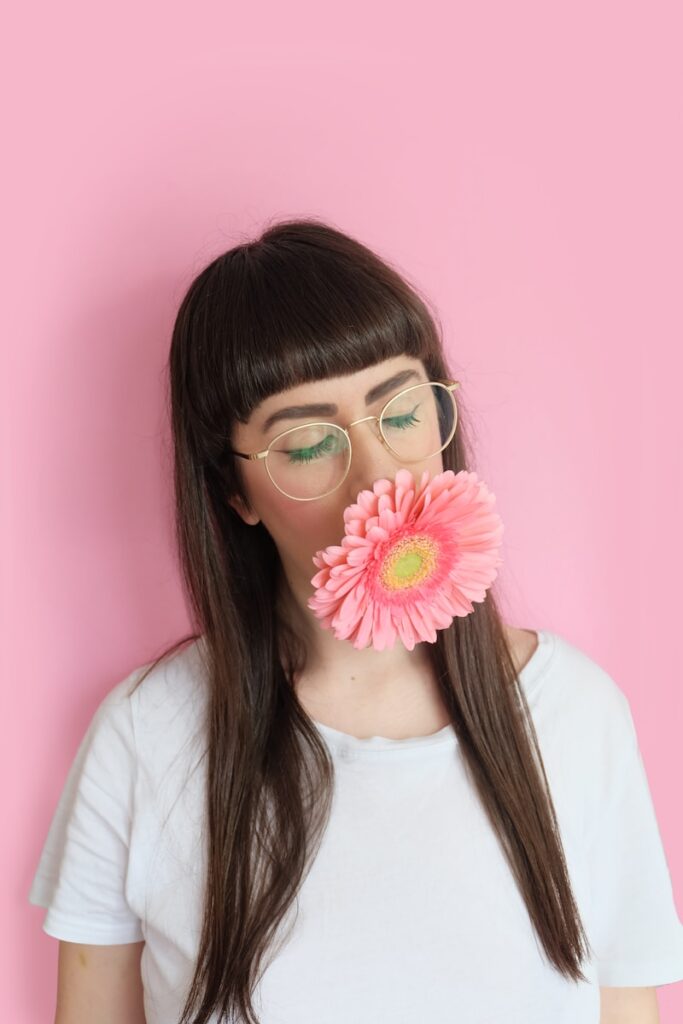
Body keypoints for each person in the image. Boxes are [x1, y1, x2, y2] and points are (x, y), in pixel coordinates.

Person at [29, 217, 683, 1024]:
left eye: (402, 413)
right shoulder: (146, 733)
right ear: (233, 491)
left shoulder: (576, 713)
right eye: (308, 443)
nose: (377, 478)